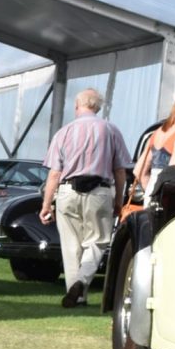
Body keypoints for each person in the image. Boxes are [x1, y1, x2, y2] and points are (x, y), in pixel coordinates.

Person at [38, 87, 133, 308]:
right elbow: (120, 170)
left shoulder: (63, 132)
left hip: (68, 191)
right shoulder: (111, 130)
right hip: (99, 191)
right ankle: (81, 283)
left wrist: (46, 204)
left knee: (71, 245)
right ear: (98, 107)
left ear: (76, 106)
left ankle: (77, 294)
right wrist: (119, 199)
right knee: (97, 241)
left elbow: (54, 173)